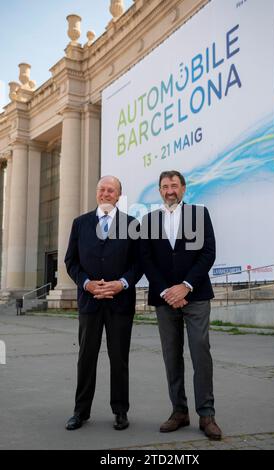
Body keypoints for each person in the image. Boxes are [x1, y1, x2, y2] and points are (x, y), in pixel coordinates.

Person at [140, 170, 222, 440]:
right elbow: (146, 260)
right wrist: (166, 290)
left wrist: (185, 285)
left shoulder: (200, 214)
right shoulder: (149, 220)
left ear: (184, 189)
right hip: (164, 300)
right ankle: (179, 411)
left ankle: (206, 415)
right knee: (171, 355)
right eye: (164, 186)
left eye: (174, 185)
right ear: (159, 190)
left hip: (195, 296)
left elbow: (208, 252)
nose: (169, 190)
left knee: (201, 352)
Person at [64, 176, 141, 431]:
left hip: (120, 302)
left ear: (118, 196)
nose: (106, 193)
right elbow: (71, 261)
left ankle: (120, 411)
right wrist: (86, 283)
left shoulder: (132, 225)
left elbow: (138, 264)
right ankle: (80, 411)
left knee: (119, 359)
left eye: (111, 190)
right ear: (97, 193)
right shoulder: (80, 223)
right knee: (86, 357)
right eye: (102, 189)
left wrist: (121, 283)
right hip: (90, 301)